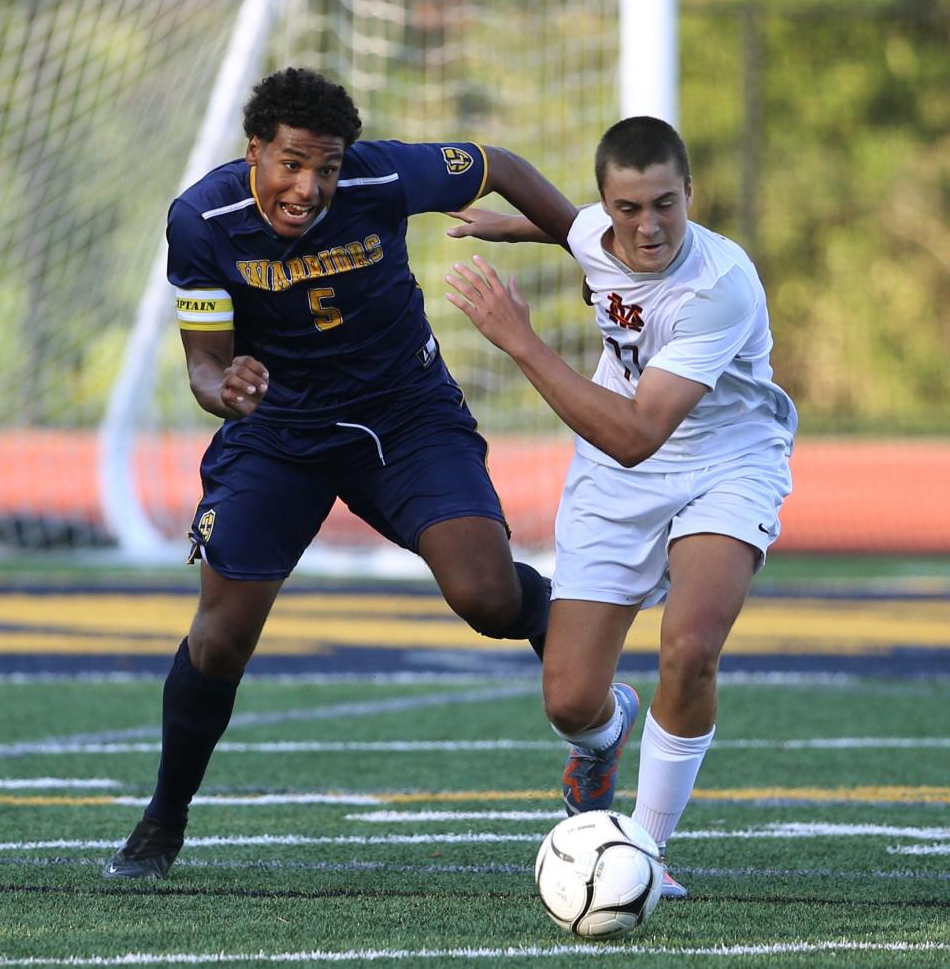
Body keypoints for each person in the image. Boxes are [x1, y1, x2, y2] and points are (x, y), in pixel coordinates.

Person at [102, 67, 577, 880]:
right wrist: (230, 390)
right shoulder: (201, 220)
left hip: (403, 410)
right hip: (279, 431)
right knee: (219, 640)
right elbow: (205, 368)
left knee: (488, 598)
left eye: (326, 168)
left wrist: (584, 241)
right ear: (255, 151)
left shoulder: (384, 174)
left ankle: (582, 673)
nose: (309, 186)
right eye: (291, 164)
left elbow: (494, 162)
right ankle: (164, 816)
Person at [444, 116, 797, 898]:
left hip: (725, 462)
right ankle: (606, 734)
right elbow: (510, 173)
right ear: (604, 204)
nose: (648, 227)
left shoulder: (718, 285)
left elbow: (638, 433)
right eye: (628, 210)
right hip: (618, 477)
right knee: (570, 700)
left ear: (690, 194)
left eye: (666, 205)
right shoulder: (593, 232)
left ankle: (645, 846)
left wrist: (521, 340)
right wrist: (523, 225)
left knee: (690, 648)